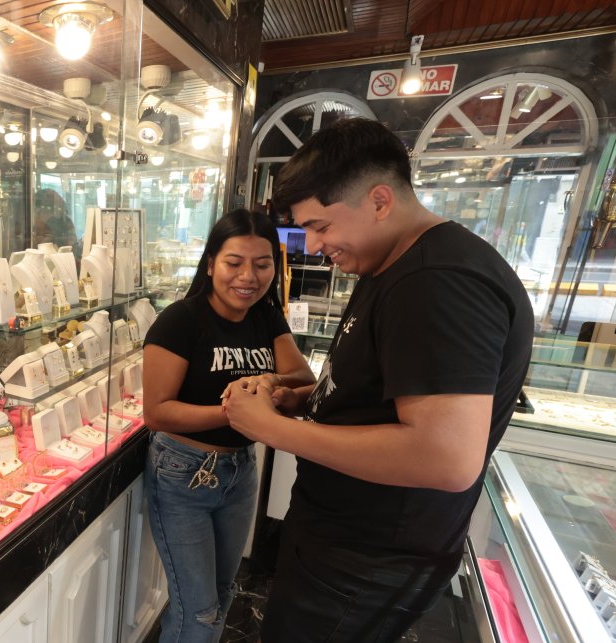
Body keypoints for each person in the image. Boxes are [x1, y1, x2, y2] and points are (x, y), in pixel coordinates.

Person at [223, 118, 533, 642]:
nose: (315, 245)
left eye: (322, 227)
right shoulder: (390, 264)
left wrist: (272, 430)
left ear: (380, 201)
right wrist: (300, 398)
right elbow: (379, 394)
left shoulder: (436, 281)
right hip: (345, 542)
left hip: (367, 558)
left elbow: (446, 458)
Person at [142, 209, 314, 643]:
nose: (249, 277)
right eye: (234, 262)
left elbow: (304, 379)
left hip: (240, 470)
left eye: (262, 264)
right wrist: (236, 412)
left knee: (222, 591)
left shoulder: (266, 317)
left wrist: (268, 380)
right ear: (210, 263)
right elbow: (158, 412)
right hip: (183, 472)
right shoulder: (181, 320)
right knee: (197, 610)